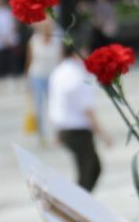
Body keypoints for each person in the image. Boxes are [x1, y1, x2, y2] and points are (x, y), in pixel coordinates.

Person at [47, 45, 111, 191]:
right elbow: (87, 110)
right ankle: (76, 205)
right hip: (78, 130)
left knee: (92, 168)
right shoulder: (79, 75)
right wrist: (103, 135)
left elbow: (56, 103)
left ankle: (80, 203)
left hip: (65, 128)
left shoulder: (59, 71)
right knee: (88, 172)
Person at [25, 19, 63, 144]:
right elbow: (29, 61)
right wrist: (27, 81)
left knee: (54, 106)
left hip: (53, 77)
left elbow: (60, 60)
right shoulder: (33, 40)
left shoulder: (57, 41)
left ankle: (56, 134)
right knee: (39, 106)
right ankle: (41, 134)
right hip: (37, 75)